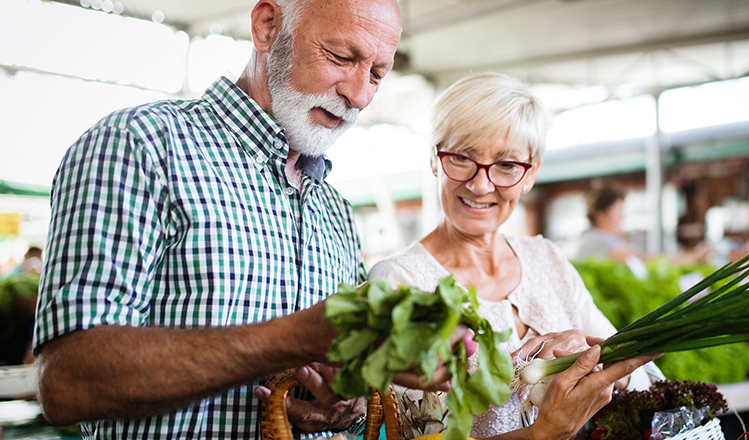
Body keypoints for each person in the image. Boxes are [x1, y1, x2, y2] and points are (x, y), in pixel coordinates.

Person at [31, 0, 440, 438]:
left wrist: (348, 402)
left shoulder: (333, 207)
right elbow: (67, 381)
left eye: (377, 73)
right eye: (341, 57)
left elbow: (344, 379)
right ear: (267, 27)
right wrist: (292, 337)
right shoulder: (139, 146)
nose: (359, 95)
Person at [368, 73, 662, 440]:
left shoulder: (547, 260)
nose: (480, 184)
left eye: (506, 165)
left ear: (531, 174)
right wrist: (543, 434)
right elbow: (419, 435)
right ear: (434, 159)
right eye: (461, 158)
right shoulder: (399, 282)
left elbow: (645, 381)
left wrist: (588, 354)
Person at [575, 185, 711, 279]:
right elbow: (647, 261)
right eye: (618, 212)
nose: (623, 217)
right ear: (601, 216)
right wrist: (695, 256)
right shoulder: (594, 241)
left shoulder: (603, 240)